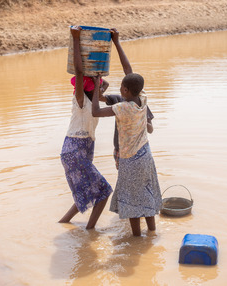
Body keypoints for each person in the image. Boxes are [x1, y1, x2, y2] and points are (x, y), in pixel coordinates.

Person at [91, 28, 162, 236]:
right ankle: (152, 233)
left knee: (131, 201)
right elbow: (129, 72)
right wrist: (117, 42)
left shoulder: (123, 107)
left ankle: (137, 240)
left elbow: (95, 111)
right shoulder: (143, 99)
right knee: (145, 195)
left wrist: (96, 87)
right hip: (146, 155)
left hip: (130, 159)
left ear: (124, 91)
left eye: (122, 86)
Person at [58, 26, 113, 229]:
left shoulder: (94, 101)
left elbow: (102, 85)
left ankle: (63, 223)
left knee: (88, 191)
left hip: (79, 149)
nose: (102, 87)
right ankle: (90, 230)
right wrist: (76, 39)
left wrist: (97, 77)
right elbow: (80, 72)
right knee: (104, 191)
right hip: (75, 151)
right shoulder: (81, 100)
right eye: (97, 86)